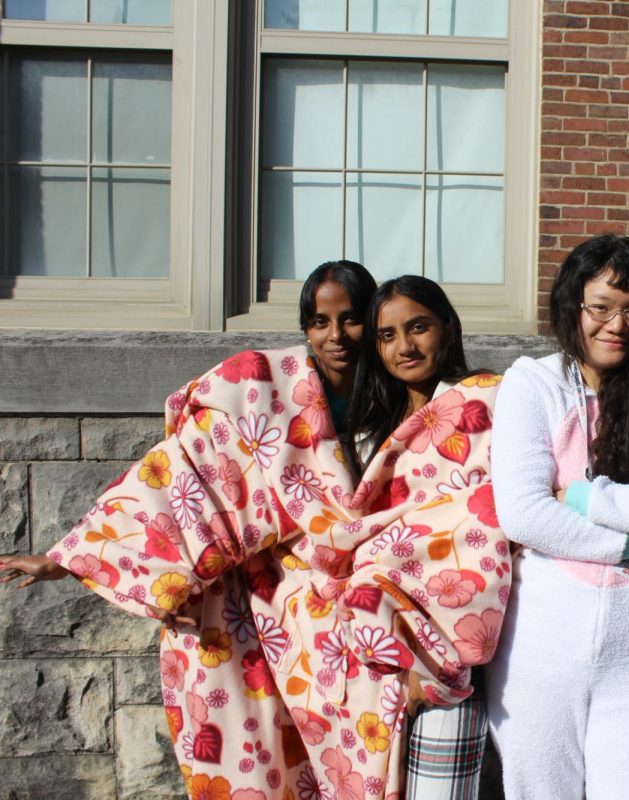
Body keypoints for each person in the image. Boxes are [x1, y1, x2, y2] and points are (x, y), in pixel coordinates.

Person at [0, 263, 510, 799]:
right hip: (287, 618)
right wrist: (72, 557)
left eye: (354, 320)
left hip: (394, 619)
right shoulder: (271, 395)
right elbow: (193, 474)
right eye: (318, 321)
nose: (336, 336)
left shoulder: (432, 405)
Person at [486, 233, 629, 799]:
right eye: (601, 307)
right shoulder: (532, 383)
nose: (616, 324)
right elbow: (523, 513)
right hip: (538, 658)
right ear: (574, 306)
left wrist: (587, 498)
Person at [343, 275, 507, 798]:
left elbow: (485, 524)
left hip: (449, 663)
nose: (404, 347)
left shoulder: (485, 404)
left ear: (447, 328)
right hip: (372, 665)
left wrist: (431, 670)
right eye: (387, 336)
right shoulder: (373, 430)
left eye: (418, 328)